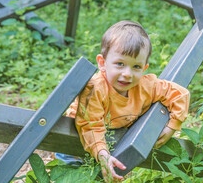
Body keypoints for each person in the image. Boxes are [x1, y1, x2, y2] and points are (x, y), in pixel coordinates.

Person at [66, 20, 190, 182]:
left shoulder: (145, 86)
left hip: (112, 141)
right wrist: (102, 155)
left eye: (136, 67)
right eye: (119, 64)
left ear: (144, 68)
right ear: (102, 63)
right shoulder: (95, 89)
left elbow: (180, 94)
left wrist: (172, 126)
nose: (127, 74)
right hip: (76, 143)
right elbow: (90, 126)